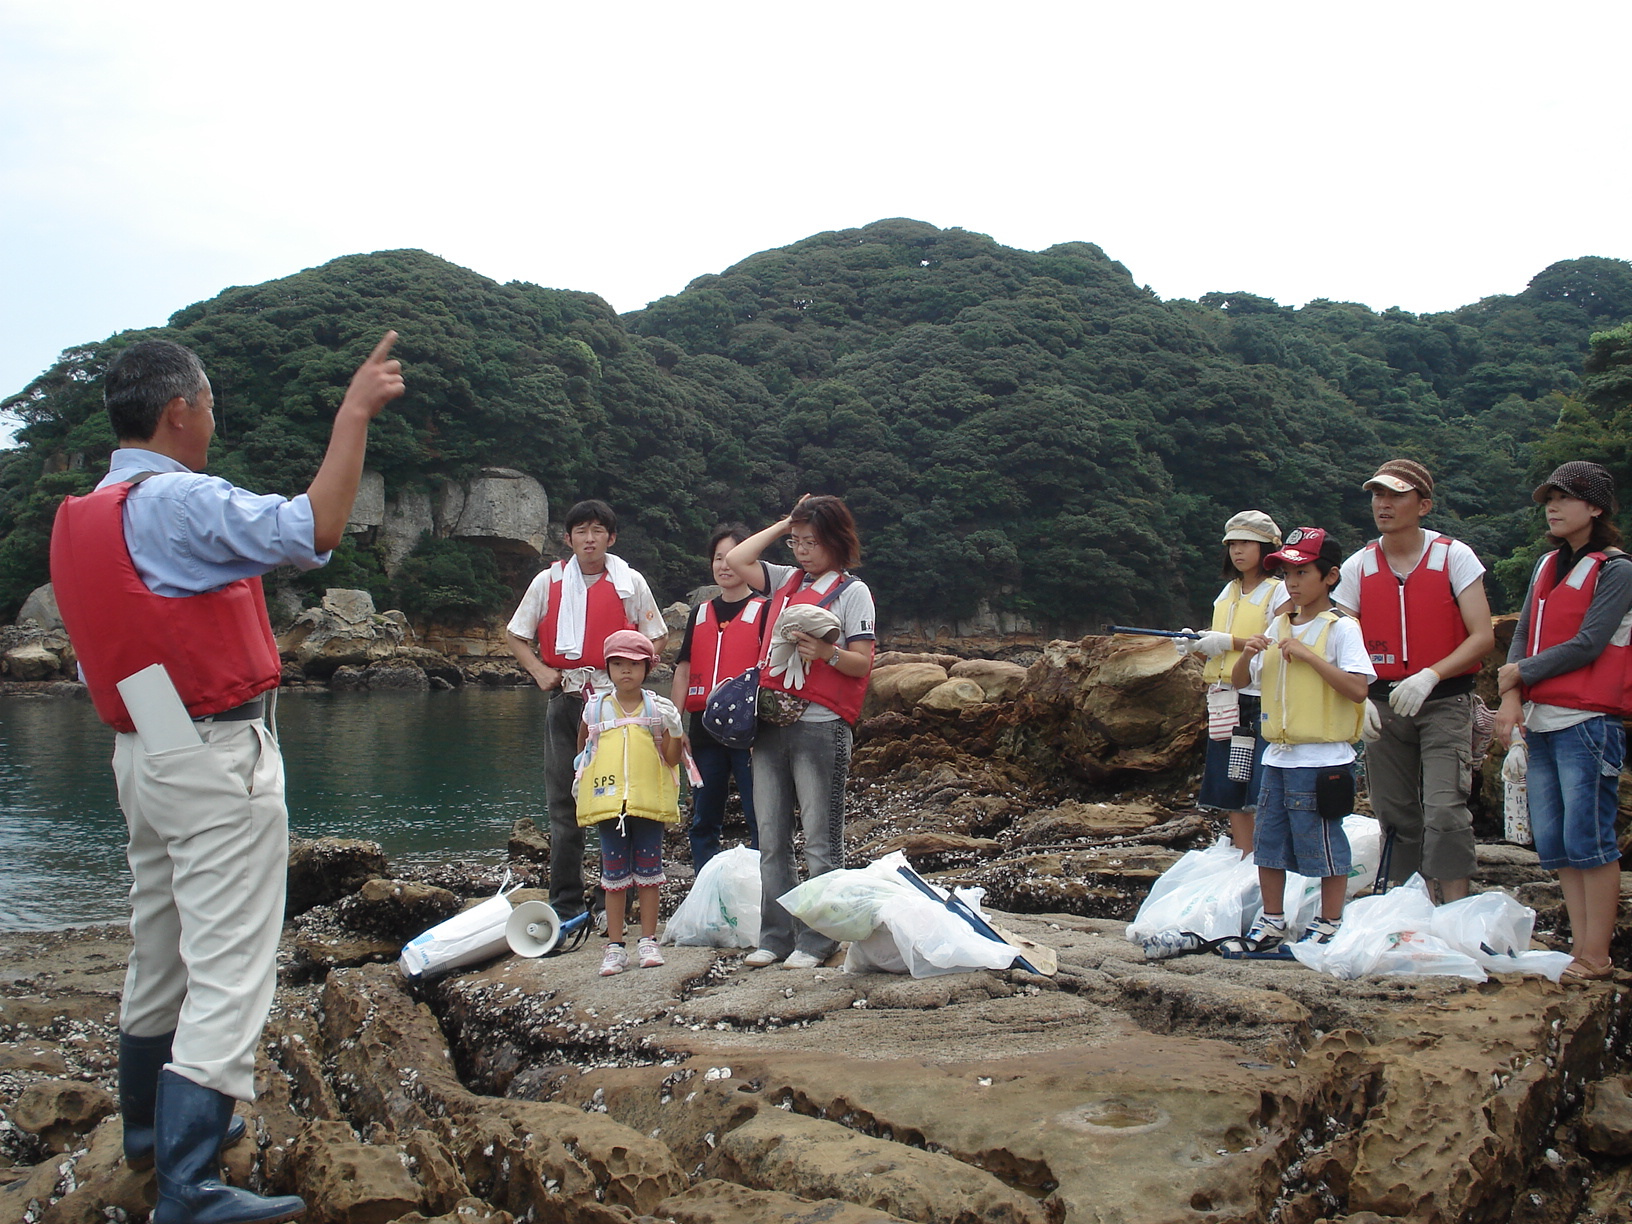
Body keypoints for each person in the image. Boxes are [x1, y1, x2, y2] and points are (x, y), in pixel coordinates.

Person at [49, 334, 404, 1224]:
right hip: (211, 747)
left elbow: (109, 654)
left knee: (160, 941)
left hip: (144, 742)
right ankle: (190, 1182)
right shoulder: (179, 500)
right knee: (231, 965)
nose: (214, 420)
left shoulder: (86, 514)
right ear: (180, 412)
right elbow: (315, 529)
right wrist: (354, 412)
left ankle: (147, 1132)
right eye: (209, 404)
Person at [724, 496, 876, 970]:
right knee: (771, 838)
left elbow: (862, 664)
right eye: (797, 542)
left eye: (812, 542)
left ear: (837, 542)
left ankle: (820, 939)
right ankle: (776, 937)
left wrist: (826, 654)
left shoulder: (853, 593)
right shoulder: (784, 581)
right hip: (771, 724)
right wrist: (785, 523)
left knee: (819, 840)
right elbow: (737, 559)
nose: (803, 551)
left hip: (821, 726)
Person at [1333, 459, 1494, 902]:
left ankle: (1455, 908)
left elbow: (1482, 635)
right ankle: (1402, 908)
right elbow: (1339, 639)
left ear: (1423, 505)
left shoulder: (1453, 556)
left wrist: (1432, 673)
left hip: (1444, 700)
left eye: (1395, 495)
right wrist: (1358, 696)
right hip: (1383, 705)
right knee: (1394, 812)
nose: (1383, 504)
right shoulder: (1358, 567)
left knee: (1445, 810)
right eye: (1377, 495)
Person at [1496, 462, 1631, 984]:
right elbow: (1523, 632)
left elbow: (1589, 642)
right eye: (1549, 499)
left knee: (1589, 837)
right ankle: (1580, 949)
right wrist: (1512, 694)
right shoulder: (1546, 565)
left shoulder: (1617, 570)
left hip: (1588, 721)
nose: (1552, 507)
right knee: (1556, 842)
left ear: (1595, 508)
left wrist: (1519, 673)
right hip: (1543, 719)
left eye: (1565, 498)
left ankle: (1596, 954)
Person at [505, 501, 667, 920]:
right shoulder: (548, 581)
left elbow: (656, 637)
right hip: (567, 697)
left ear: (611, 538)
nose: (589, 539)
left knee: (620, 800)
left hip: (616, 705)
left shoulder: (630, 582)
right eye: (581, 531)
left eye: (597, 531)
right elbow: (516, 634)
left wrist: (631, 679)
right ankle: (566, 903)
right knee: (564, 803)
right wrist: (540, 671)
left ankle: (614, 901)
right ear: (568, 538)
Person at [1231, 528, 1374, 950]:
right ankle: (1272, 920)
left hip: (1323, 760)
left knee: (1324, 842)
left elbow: (1358, 688)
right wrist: (1247, 653)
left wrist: (1311, 656)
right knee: (1269, 842)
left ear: (1330, 577)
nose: (1292, 583)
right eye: (1287, 574)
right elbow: (1241, 683)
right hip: (1277, 756)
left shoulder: (1341, 628)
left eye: (1302, 572)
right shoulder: (1278, 625)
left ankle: (1330, 922)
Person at [575, 631, 685, 975]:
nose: (626, 671)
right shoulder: (595, 709)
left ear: (647, 669)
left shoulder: (657, 708)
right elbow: (583, 753)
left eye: (635, 665)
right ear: (607, 668)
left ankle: (648, 940)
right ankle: (615, 946)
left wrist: (676, 729)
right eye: (618, 664)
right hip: (610, 805)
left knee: (650, 874)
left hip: (647, 804)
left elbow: (672, 758)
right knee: (613, 876)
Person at [1177, 511, 1284, 855]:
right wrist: (1196, 644)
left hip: (1258, 696)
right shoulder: (1229, 591)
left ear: (1266, 548)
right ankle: (1244, 855)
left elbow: (1278, 642)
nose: (1238, 550)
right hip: (1224, 698)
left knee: (1260, 784)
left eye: (1247, 543)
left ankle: (1266, 858)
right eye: (1233, 544)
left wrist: (1226, 641)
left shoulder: (1278, 591)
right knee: (1231, 783)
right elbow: (1217, 649)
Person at [670, 524, 764, 869]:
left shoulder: (765, 611)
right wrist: (675, 726)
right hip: (704, 731)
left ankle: (762, 886)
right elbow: (684, 669)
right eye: (718, 558)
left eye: (732, 557)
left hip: (750, 732)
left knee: (759, 815)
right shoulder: (700, 614)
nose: (725, 565)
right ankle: (705, 884)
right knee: (703, 817)